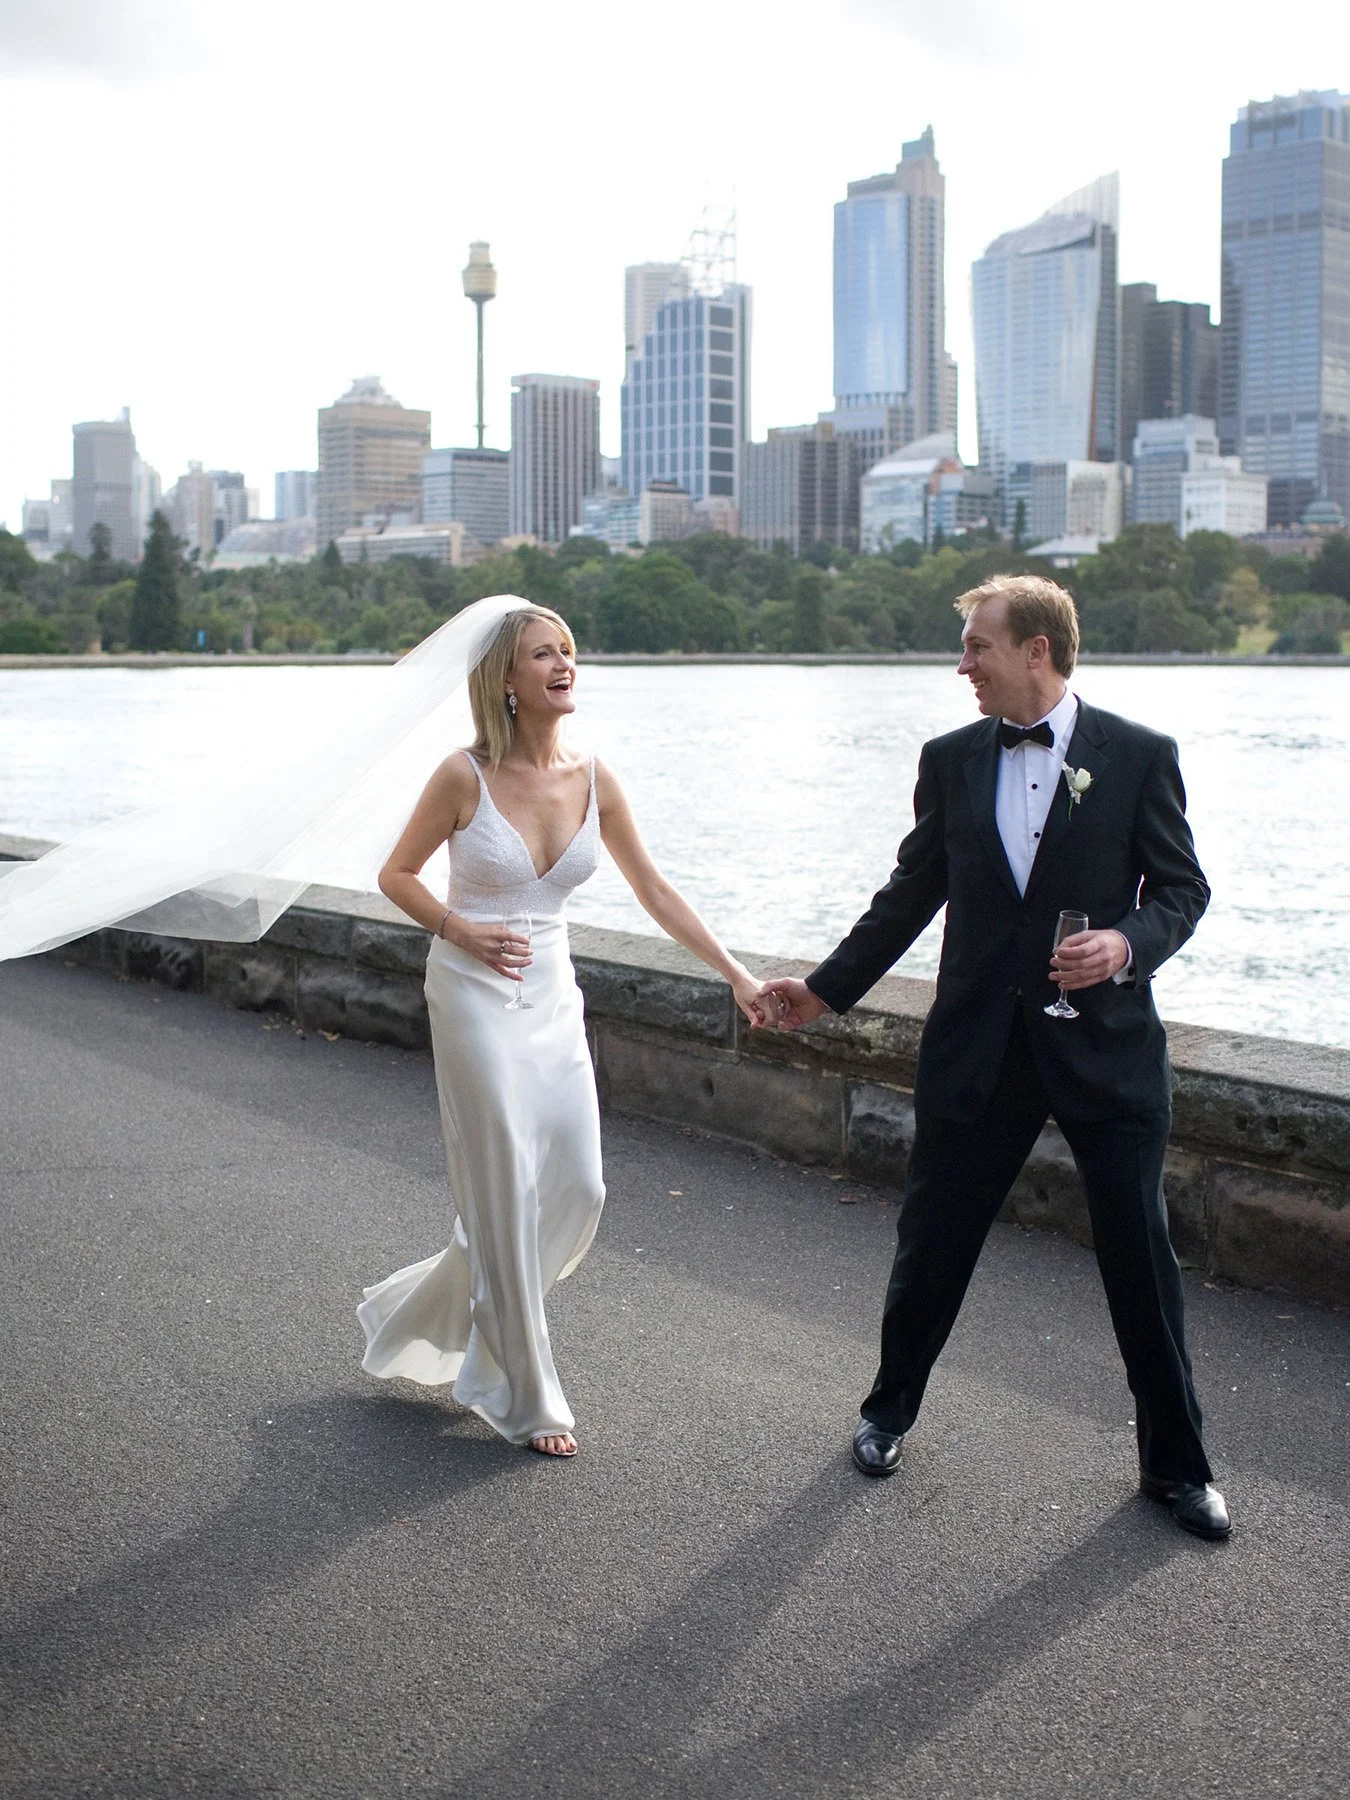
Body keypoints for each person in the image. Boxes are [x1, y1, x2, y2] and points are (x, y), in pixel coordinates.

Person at [756, 574, 1230, 1539]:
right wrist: (825, 989)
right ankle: (886, 1413)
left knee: (1142, 1260)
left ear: (1037, 652)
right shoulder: (951, 759)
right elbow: (909, 893)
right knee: (934, 1244)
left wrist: (1125, 945)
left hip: (1106, 1051)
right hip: (980, 1049)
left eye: (977, 645)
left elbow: (1183, 890)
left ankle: (1178, 1470)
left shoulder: (1139, 757)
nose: (962, 664)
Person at [359, 601, 763, 1458]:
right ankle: (523, 1392)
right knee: (503, 1178)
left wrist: (734, 973)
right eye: (543, 654)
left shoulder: (594, 775)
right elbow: (395, 874)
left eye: (569, 651)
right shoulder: (462, 775)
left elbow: (655, 892)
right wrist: (460, 928)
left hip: (552, 991)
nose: (563, 664)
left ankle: (459, 1311)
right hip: (471, 989)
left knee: (581, 1184)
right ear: (506, 680)